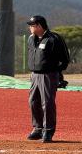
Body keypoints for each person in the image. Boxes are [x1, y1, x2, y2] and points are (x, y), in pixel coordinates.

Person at [26, 15, 70, 143]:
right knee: (33, 101)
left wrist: (57, 73)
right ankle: (38, 128)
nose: (30, 28)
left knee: (47, 103)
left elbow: (65, 59)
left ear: (39, 26)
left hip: (48, 75)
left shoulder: (53, 39)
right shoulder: (31, 39)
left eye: (32, 26)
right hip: (34, 75)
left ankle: (48, 131)